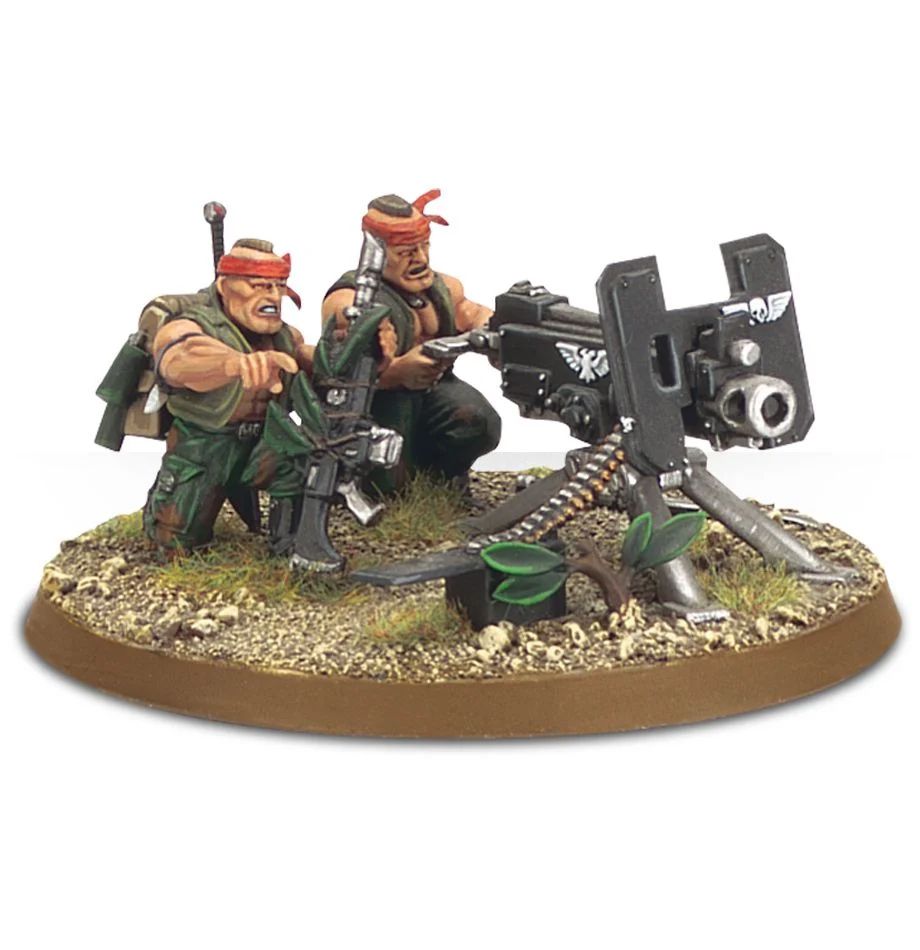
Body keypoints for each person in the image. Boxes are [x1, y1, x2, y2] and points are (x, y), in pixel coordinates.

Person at [322, 189, 501, 495]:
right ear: (377, 252)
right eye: (405, 252)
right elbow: (342, 348)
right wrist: (392, 367)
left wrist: (497, 331)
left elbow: (471, 314)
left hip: (434, 391)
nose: (419, 258)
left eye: (423, 246)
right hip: (377, 401)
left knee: (479, 422)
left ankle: (441, 483)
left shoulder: (444, 288)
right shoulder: (350, 299)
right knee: (389, 484)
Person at [144, 239, 313, 551]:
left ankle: (290, 544)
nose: (272, 297)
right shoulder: (190, 325)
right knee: (175, 543)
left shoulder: (285, 337)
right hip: (204, 447)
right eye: (258, 286)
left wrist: (355, 352)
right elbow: (179, 357)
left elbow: (311, 363)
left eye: (278, 286)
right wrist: (233, 363)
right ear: (225, 286)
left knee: (304, 460)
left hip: (263, 443)